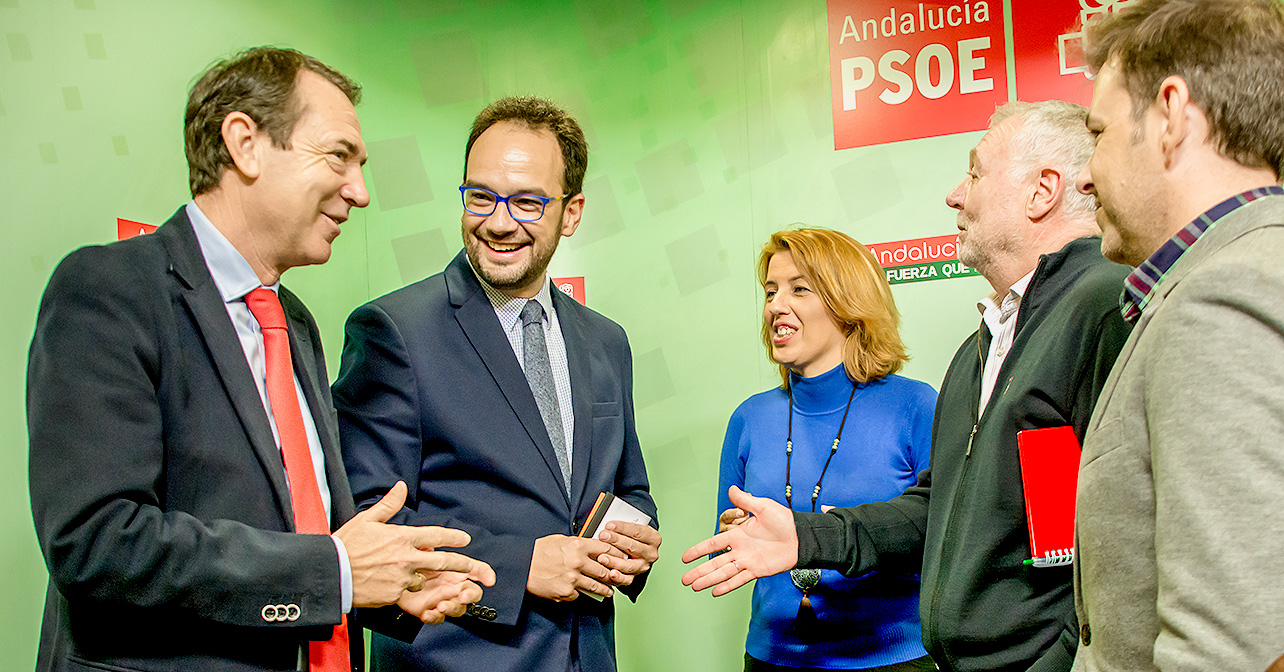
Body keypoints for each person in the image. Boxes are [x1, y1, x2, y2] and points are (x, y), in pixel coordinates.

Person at [26, 47, 494, 672]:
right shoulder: (109, 290)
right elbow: (98, 543)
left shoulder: (292, 321)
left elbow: (304, 543)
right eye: (339, 157)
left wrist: (391, 590)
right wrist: (335, 571)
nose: (359, 192)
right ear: (244, 143)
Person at [681, 101, 1132, 672]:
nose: (954, 195)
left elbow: (1125, 540)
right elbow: (938, 509)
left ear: (1042, 192)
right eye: (770, 291)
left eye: (974, 172)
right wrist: (807, 536)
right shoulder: (982, 349)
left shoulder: (1107, 304)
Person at [332, 95, 660, 672]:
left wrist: (634, 539)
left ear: (572, 212)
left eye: (528, 202)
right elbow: (363, 522)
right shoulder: (393, 332)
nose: (499, 222)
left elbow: (629, 488)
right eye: (481, 196)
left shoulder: (606, 341)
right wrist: (521, 566)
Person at [1072, 1, 1284, 669]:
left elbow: (1230, 652)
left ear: (1171, 115)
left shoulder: (1221, 301)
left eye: (1098, 134)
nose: (1086, 173)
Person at [716, 228, 937, 671]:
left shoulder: (915, 405)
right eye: (771, 291)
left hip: (888, 661)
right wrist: (733, 534)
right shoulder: (749, 418)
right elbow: (728, 550)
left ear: (848, 304)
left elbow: (945, 535)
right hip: (771, 659)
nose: (776, 305)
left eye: (799, 289)